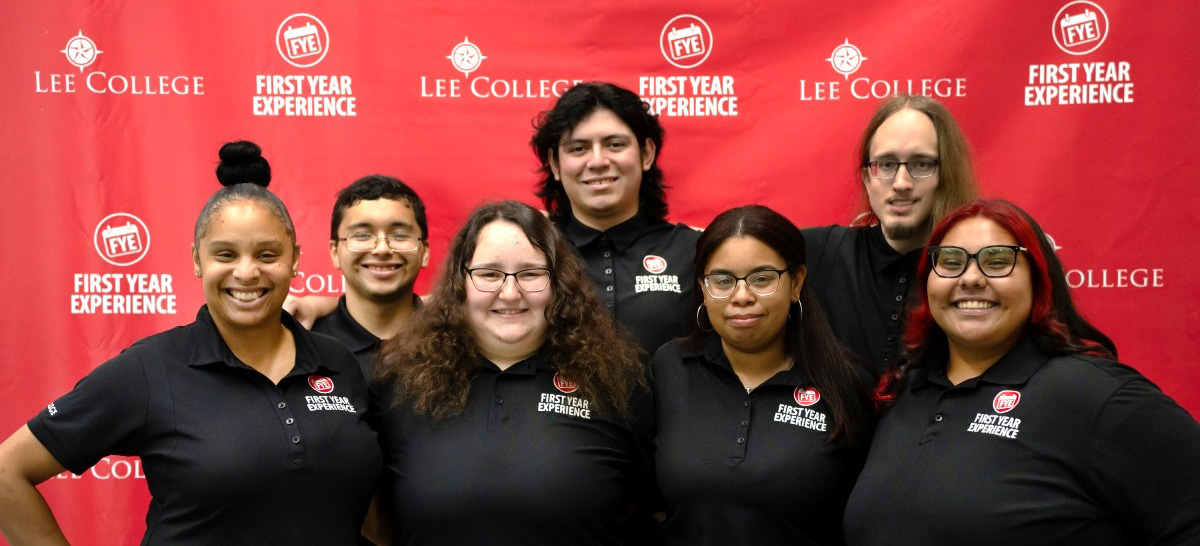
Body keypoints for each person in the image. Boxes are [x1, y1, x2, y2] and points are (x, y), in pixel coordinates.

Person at [0, 142, 381, 544]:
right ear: (198, 260)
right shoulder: (150, 369)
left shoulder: (337, 361)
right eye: (225, 255)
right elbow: (8, 471)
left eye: (267, 255)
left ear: (295, 259)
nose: (247, 272)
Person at [843, 200, 1200, 545]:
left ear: (1038, 281)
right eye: (950, 261)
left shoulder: (1094, 395)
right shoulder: (903, 391)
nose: (970, 278)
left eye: (997, 261)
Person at [372, 200, 652, 545]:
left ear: (558, 283)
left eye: (530, 274)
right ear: (461, 283)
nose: (509, 293)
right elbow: (370, 519)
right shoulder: (399, 385)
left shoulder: (615, 382)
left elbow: (655, 512)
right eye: (489, 274)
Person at [653, 205, 873, 545]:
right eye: (723, 281)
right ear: (703, 289)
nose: (742, 297)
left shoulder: (846, 381)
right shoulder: (670, 367)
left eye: (761, 278)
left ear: (796, 282)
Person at [803, 94, 979, 374]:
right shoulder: (820, 253)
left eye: (921, 164)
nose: (901, 183)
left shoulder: (976, 271)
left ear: (946, 174)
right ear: (867, 177)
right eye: (886, 165)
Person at [532, 81, 700, 355]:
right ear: (555, 164)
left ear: (646, 154)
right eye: (578, 148)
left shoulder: (695, 251)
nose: (598, 161)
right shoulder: (533, 252)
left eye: (615, 144)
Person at [312, 175, 429, 374]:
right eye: (362, 235)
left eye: (399, 235)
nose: (382, 249)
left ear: (424, 251)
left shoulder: (458, 343)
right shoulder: (302, 344)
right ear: (335, 252)